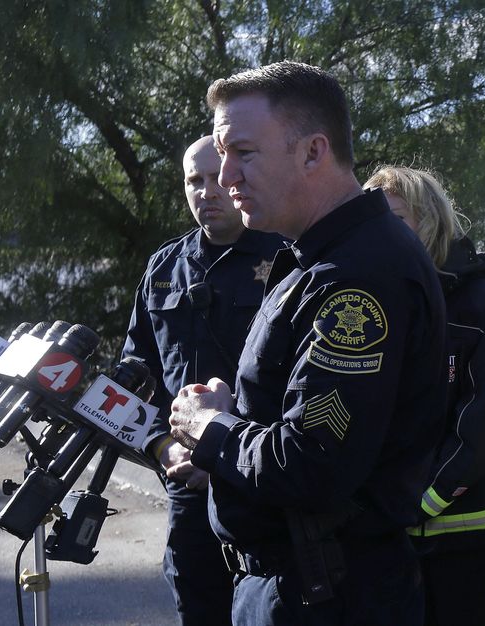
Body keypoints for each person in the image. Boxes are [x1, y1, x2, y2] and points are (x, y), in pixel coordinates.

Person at [168, 61, 447, 625]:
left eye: (243, 153)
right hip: (301, 585)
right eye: (223, 156)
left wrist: (209, 427)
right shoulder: (317, 257)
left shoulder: (356, 275)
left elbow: (310, 463)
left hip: (325, 595)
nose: (225, 178)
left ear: (314, 152)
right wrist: (234, 418)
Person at [121, 136, 286, 626]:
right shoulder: (163, 269)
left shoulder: (287, 261)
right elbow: (133, 378)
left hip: (262, 487)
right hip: (188, 492)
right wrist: (160, 448)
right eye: (195, 180)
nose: (208, 191)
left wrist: (225, 449)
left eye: (217, 177)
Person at [364, 166, 485, 626]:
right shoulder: (365, 302)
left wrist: (419, 503)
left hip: (461, 539)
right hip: (383, 537)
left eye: (394, 218)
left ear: (429, 221)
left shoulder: (483, 303)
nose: (378, 233)